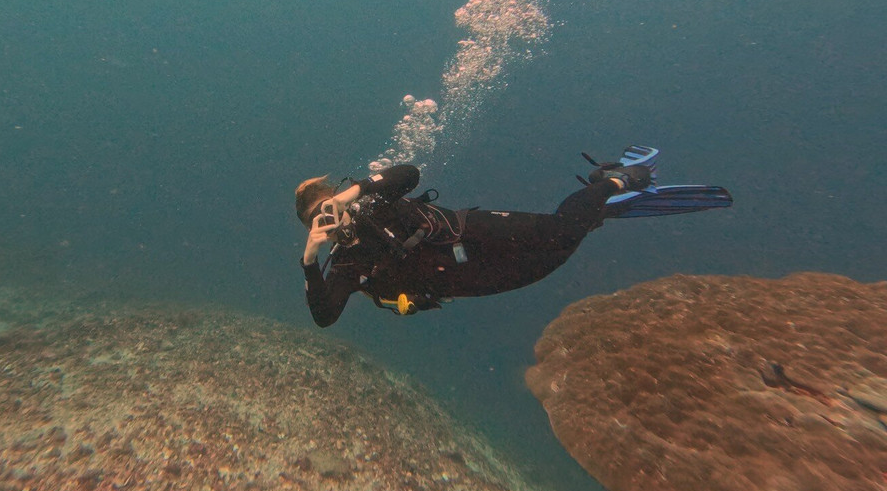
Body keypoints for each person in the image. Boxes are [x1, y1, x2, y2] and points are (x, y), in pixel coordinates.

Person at [295, 146, 732, 326]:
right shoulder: (349, 264)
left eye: (330, 205)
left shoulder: (375, 202)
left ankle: (613, 182)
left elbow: (409, 174)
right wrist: (311, 262)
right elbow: (324, 316)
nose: (331, 218)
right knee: (553, 257)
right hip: (461, 282)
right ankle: (597, 210)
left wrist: (357, 191)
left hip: (473, 230)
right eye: (320, 218)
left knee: (559, 230)